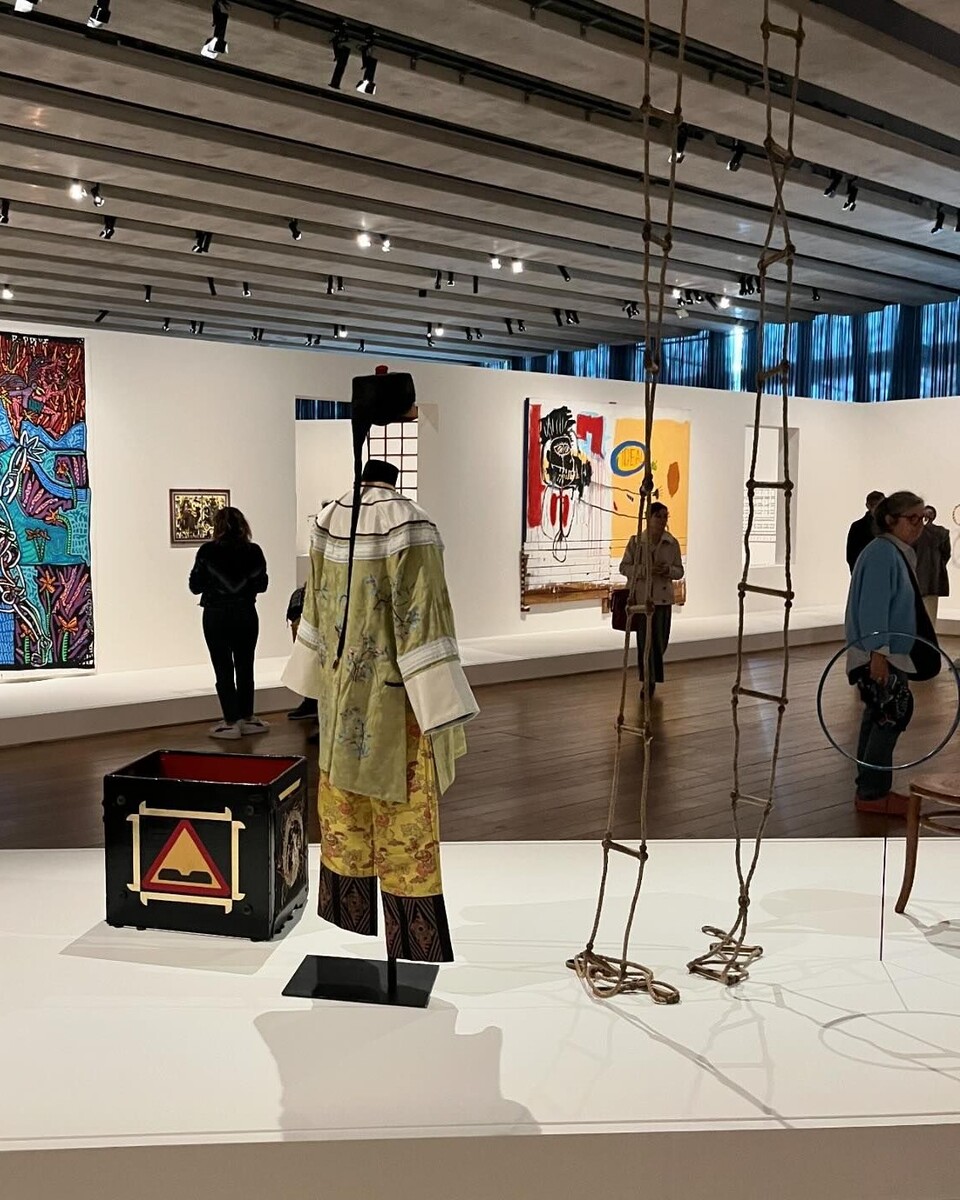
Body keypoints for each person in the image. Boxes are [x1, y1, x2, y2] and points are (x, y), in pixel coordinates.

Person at [283, 369, 478, 964]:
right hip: (398, 705)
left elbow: (313, 613)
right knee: (405, 822)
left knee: (344, 808)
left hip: (341, 701)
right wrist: (444, 712)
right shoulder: (411, 525)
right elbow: (424, 623)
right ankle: (409, 939)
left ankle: (353, 914)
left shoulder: (327, 519)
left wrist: (320, 683)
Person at [845, 491, 940, 816]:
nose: (920, 526)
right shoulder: (883, 554)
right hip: (881, 654)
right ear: (890, 520)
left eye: (923, 518)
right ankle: (873, 793)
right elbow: (873, 607)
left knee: (880, 716)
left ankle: (871, 790)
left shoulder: (890, 552)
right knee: (889, 716)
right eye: (912, 519)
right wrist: (878, 654)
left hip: (888, 652)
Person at [188, 506, 269, 740]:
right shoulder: (253, 551)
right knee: (246, 665)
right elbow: (262, 585)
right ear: (243, 525)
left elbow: (195, 586)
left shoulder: (207, 551)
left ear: (217, 526)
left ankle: (230, 721)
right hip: (245, 613)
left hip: (216, 614)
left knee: (222, 667)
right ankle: (247, 717)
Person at [618, 501, 684, 698]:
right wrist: (645, 571)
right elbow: (624, 567)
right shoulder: (637, 541)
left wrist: (667, 570)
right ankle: (648, 681)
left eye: (665, 516)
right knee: (646, 644)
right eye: (659, 516)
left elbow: (679, 570)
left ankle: (652, 677)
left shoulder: (671, 543)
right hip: (643, 600)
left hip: (663, 600)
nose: (663, 520)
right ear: (649, 517)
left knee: (661, 642)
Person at [914, 505, 951, 628]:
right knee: (931, 615)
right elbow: (946, 554)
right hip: (935, 578)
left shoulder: (915, 533)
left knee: (916, 614)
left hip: (917, 576)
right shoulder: (943, 533)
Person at [845, 490, 884, 573]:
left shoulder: (892, 525)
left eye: (880, 505)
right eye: (874, 505)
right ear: (868, 506)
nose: (877, 508)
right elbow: (852, 556)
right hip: (866, 570)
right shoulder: (858, 527)